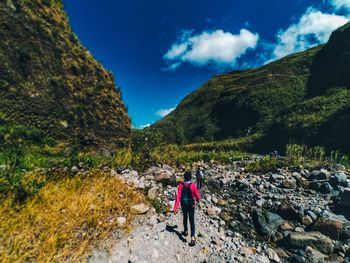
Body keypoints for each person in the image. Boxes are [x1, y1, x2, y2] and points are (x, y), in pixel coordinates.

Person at [173, 171, 200, 246]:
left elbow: (178, 197)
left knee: (185, 218)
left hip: (184, 205)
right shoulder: (193, 185)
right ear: (190, 178)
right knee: (192, 221)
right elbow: (197, 196)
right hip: (191, 206)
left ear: (184, 177)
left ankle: (185, 231)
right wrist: (197, 199)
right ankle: (192, 238)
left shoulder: (181, 186)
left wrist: (175, 208)